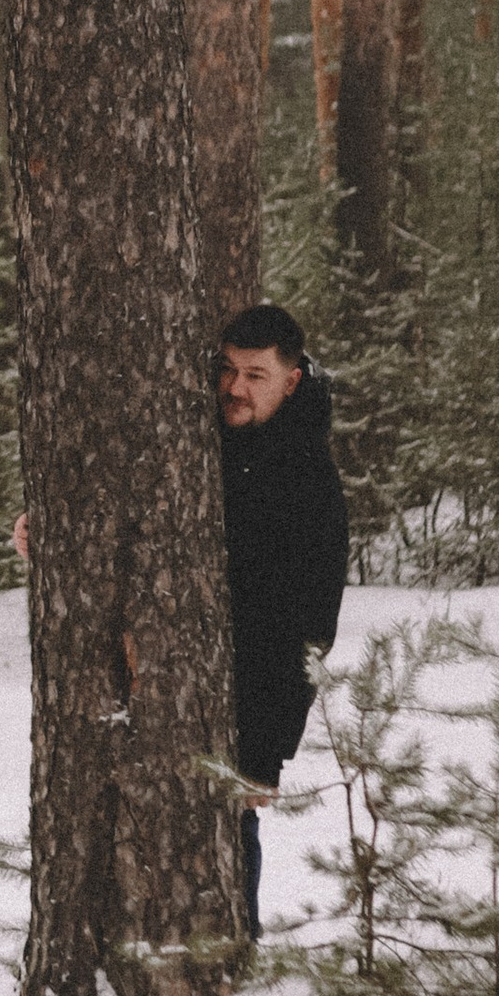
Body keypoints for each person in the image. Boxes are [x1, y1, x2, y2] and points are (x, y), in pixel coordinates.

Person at [215, 303, 349, 936]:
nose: (235, 388)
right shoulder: (211, 436)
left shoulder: (308, 479)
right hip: (176, 684)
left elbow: (312, 627)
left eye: (255, 375)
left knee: (232, 830)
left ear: (291, 381)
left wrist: (266, 753)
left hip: (248, 704)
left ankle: (237, 952)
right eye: (228, 369)